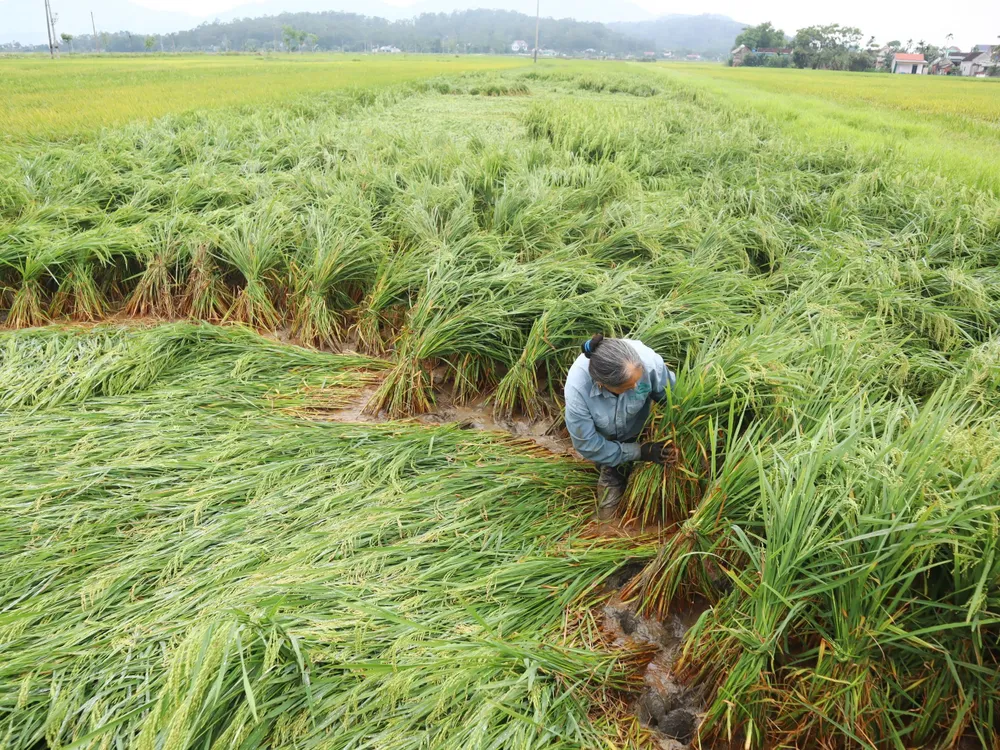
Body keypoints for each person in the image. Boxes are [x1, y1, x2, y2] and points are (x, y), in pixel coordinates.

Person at [564, 333, 677, 520]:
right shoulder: (578, 390)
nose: (635, 387)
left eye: (637, 382)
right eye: (627, 386)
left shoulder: (649, 363)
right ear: (602, 385)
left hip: (639, 428)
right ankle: (611, 471)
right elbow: (588, 445)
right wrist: (641, 452)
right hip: (607, 443)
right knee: (608, 517)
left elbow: (676, 399)